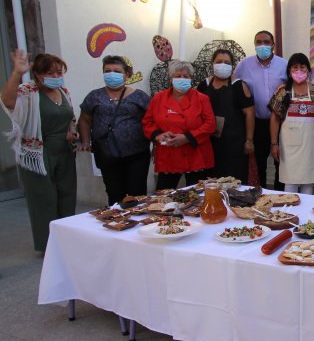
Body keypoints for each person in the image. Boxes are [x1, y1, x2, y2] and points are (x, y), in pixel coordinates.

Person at [1, 49, 77, 252]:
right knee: (44, 199)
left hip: (64, 152)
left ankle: (66, 240)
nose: (56, 77)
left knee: (67, 196)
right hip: (38, 153)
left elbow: (70, 118)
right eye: (50, 73)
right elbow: (8, 102)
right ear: (38, 75)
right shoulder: (28, 91)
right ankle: (48, 245)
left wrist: (72, 133)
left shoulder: (64, 92)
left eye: (59, 73)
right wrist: (17, 73)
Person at [78, 55, 151, 205]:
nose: (112, 74)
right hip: (107, 153)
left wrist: (156, 143)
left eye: (117, 71)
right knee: (114, 193)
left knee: (137, 193)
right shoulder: (94, 96)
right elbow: (84, 119)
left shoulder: (140, 97)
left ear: (127, 75)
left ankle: (136, 223)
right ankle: (117, 222)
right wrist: (85, 141)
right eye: (107, 70)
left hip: (136, 153)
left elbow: (151, 120)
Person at [142, 60, 215, 190]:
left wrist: (187, 137)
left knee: (197, 197)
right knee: (164, 197)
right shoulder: (158, 98)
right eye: (178, 76)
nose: (182, 79)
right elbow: (147, 122)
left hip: (195, 154)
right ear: (171, 79)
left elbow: (210, 124)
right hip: (168, 154)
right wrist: (158, 135)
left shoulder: (202, 98)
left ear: (191, 79)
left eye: (186, 76)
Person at [233, 30, 287, 189]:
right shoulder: (244, 65)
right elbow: (234, 86)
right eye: (259, 42)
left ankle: (280, 195)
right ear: (255, 45)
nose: (262, 45)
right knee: (258, 163)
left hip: (280, 122)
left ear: (273, 45)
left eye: (266, 42)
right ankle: (261, 195)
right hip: (256, 123)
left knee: (281, 162)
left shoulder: (283, 65)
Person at [196, 49, 255, 184]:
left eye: (227, 62)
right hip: (209, 143)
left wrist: (249, 140)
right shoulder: (203, 85)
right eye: (219, 62)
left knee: (235, 182)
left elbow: (249, 113)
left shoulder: (239, 85)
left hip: (234, 144)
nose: (223, 65)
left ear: (232, 66)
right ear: (212, 63)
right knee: (210, 184)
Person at [269, 53, 314, 194]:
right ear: (289, 71)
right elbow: (274, 119)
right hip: (288, 145)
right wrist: (274, 144)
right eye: (295, 68)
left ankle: (306, 213)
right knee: (290, 181)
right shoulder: (283, 91)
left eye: (302, 67)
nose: (299, 71)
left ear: (308, 70)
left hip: (310, 143)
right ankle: (290, 211)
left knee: (308, 180)